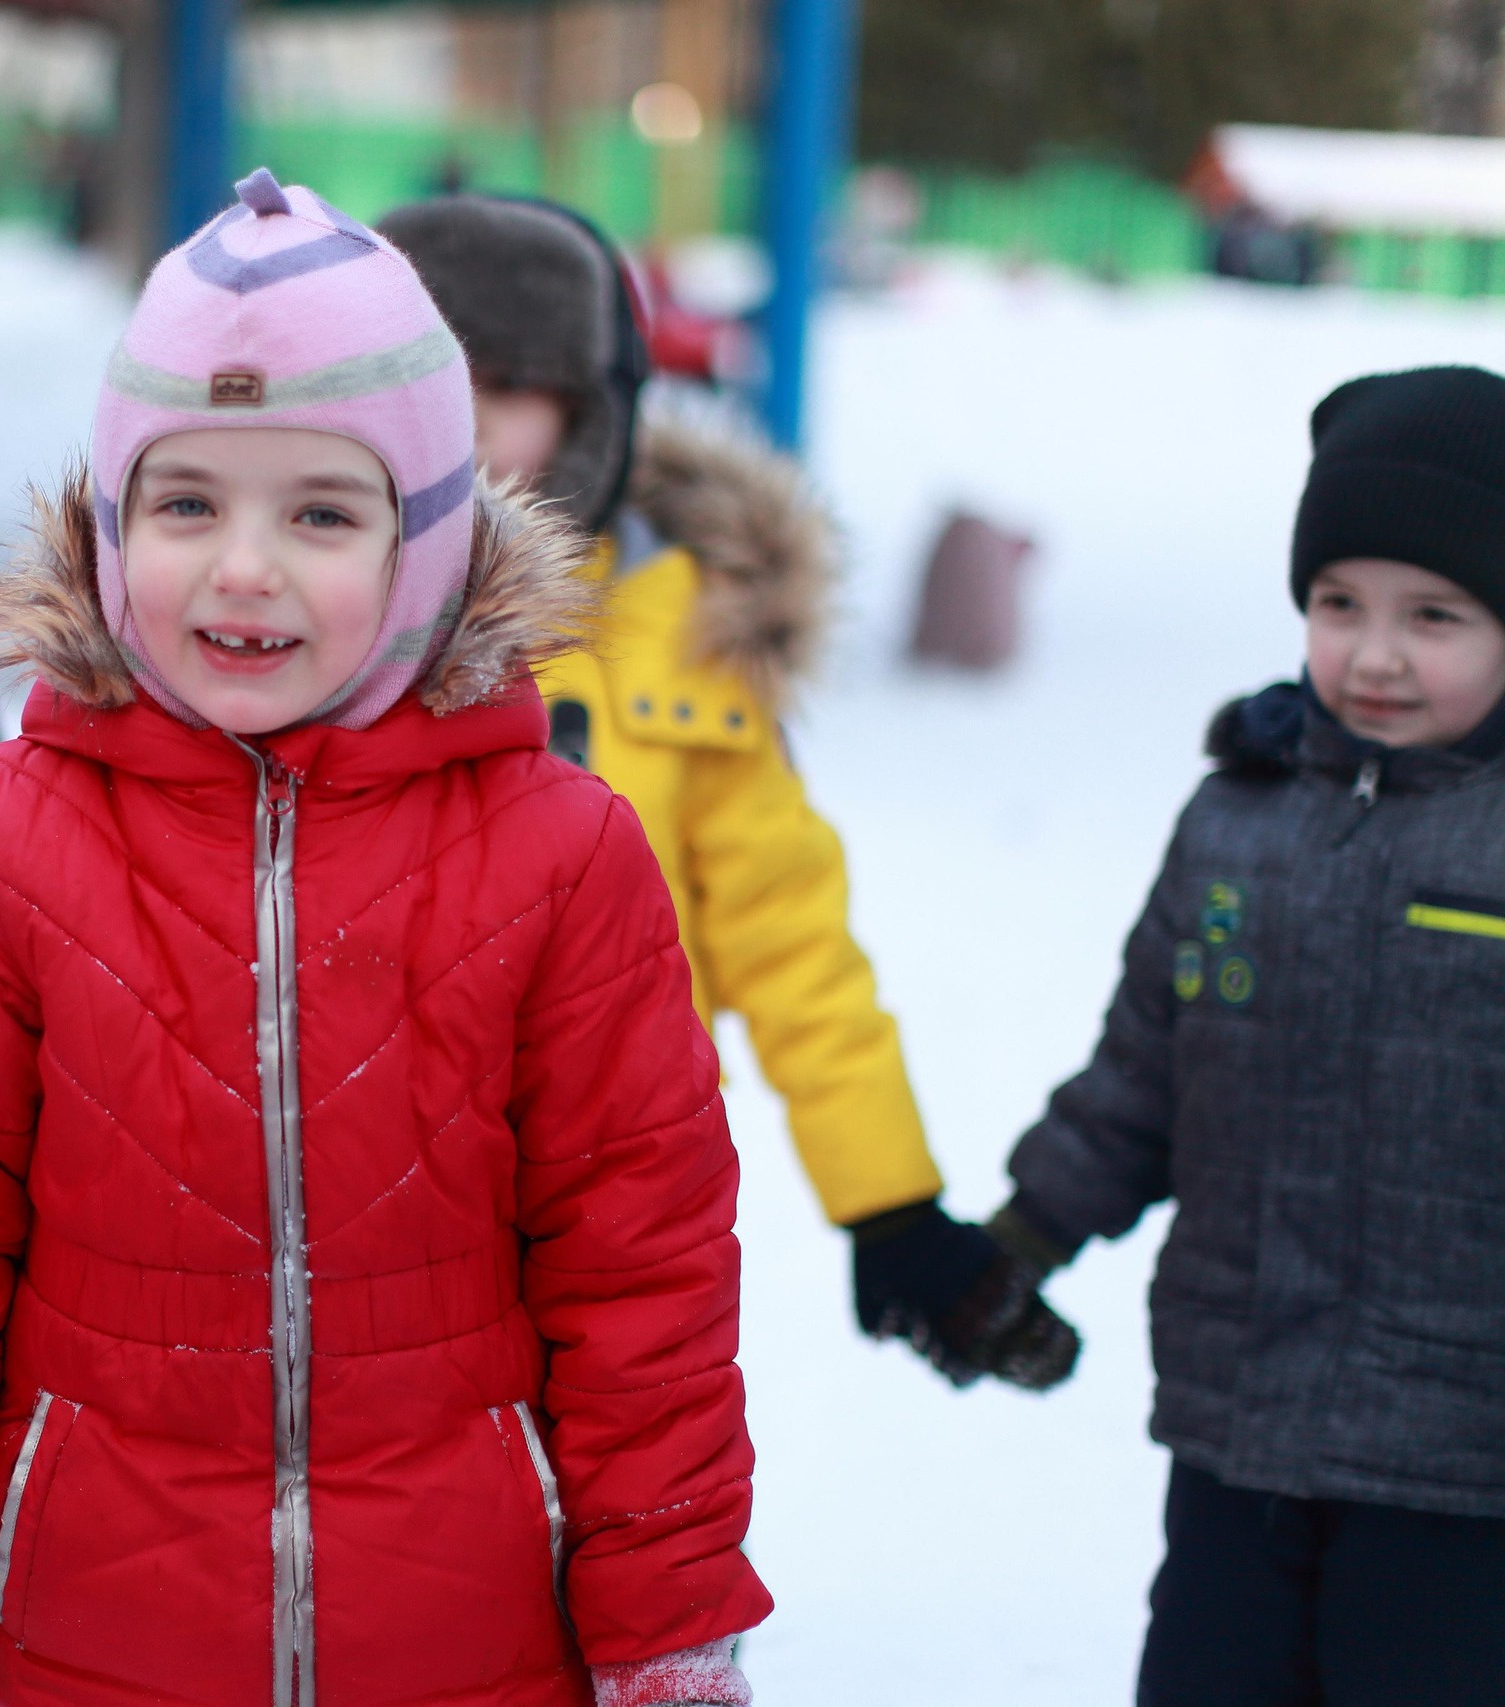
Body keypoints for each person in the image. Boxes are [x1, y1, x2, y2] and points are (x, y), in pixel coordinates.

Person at [0, 169, 772, 1707]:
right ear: (114, 527)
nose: (245, 567)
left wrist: (671, 1629)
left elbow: (644, 1280)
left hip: (470, 1647)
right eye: (187, 503)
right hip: (99, 1645)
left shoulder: (563, 852)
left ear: (424, 544)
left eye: (321, 511)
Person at [378, 194, 1075, 1391]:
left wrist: (888, 1202)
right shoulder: (289, 622)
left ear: (591, 410)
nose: (472, 420)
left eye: (514, 386)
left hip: (612, 1196)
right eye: (436, 379)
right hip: (347, 1201)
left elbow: (789, 940)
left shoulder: (685, 630)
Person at [994, 366, 1505, 1705]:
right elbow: (1143, 1072)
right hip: (1236, 1425)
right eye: (1338, 603)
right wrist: (1022, 1236)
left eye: (1434, 615)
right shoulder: (1239, 816)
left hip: (1464, 1462)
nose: (1374, 655)